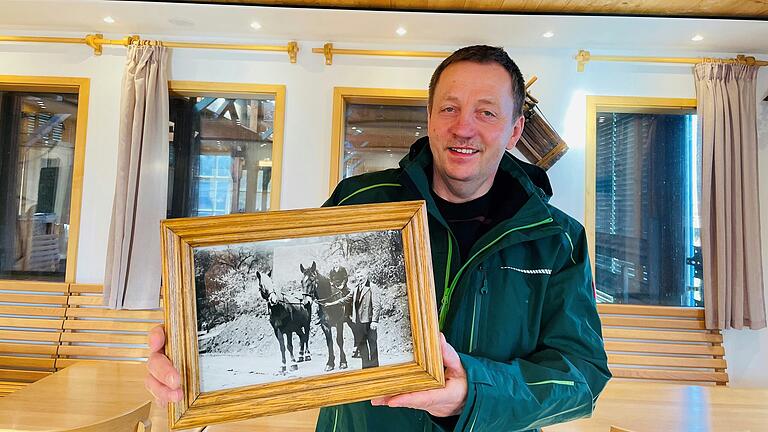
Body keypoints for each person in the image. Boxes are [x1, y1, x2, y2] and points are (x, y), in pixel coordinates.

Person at [146, 45, 611, 431]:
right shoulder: (361, 201)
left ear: (515, 130)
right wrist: (190, 363)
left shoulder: (558, 240)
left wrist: (475, 390)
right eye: (449, 107)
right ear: (429, 117)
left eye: (486, 112)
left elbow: (582, 377)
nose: (463, 126)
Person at [325, 274, 381, 368]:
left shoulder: (372, 287)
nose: (360, 278)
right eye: (358, 276)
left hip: (369, 321)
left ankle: (375, 367)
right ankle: (366, 367)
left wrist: (374, 321)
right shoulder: (355, 289)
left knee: (372, 344)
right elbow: (345, 299)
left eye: (361, 276)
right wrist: (331, 304)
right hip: (358, 322)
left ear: (366, 276)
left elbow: (377, 306)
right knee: (362, 346)